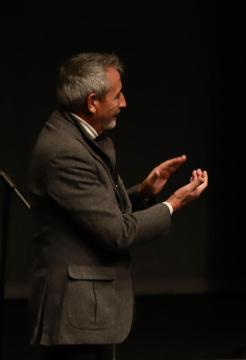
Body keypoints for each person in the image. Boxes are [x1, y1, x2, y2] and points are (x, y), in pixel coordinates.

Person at [26, 52, 208, 359]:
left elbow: (91, 211)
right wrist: (173, 204)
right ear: (92, 101)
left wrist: (144, 192)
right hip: (75, 314)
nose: (123, 103)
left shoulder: (76, 136)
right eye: (118, 95)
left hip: (84, 312)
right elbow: (117, 232)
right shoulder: (65, 152)